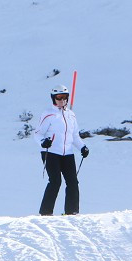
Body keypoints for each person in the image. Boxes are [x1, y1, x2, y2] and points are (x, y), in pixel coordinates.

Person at [36, 84, 88, 216]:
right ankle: (46, 212)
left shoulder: (71, 115)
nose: (62, 100)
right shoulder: (48, 114)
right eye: (59, 97)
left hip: (68, 153)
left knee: (73, 182)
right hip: (51, 152)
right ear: (53, 98)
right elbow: (37, 133)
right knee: (55, 181)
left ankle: (72, 212)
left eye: (65, 97)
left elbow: (74, 135)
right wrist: (43, 142)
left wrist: (82, 147)